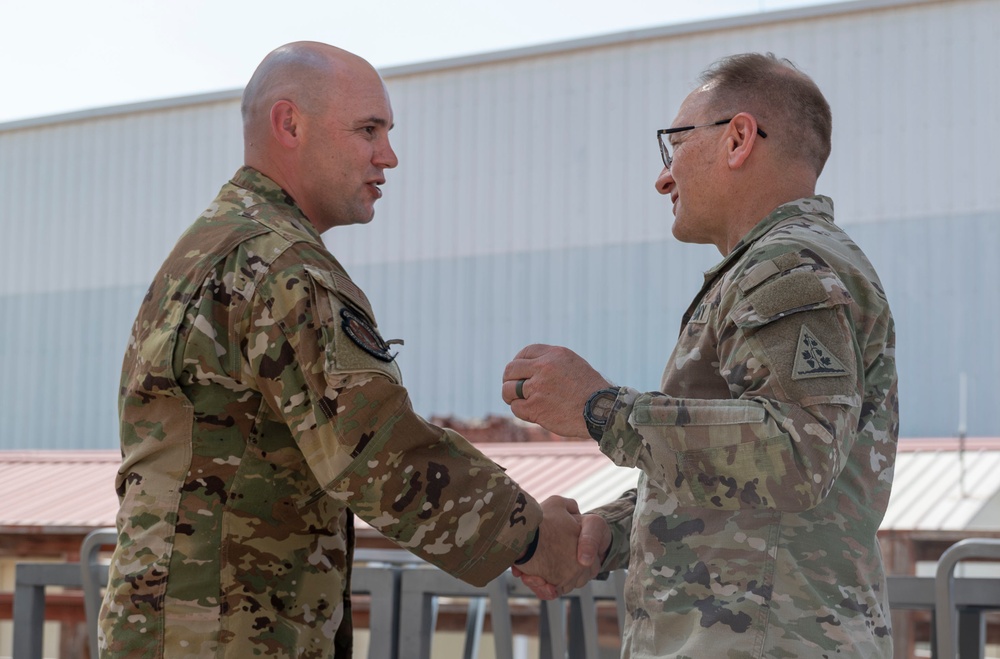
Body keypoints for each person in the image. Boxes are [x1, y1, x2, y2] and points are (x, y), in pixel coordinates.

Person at [99, 41, 585, 658]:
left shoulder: (212, 246)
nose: (390, 156)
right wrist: (534, 535)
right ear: (289, 124)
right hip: (228, 636)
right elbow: (376, 453)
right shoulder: (282, 265)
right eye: (368, 130)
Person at [502, 53, 898, 658]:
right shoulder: (778, 265)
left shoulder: (784, 266)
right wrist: (603, 536)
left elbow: (796, 453)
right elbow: (743, 480)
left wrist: (598, 409)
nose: (664, 177)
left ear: (738, 138)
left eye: (675, 144)